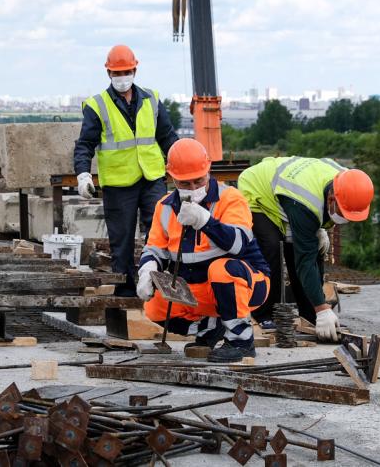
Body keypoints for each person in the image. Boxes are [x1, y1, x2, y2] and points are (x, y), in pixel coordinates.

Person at [136, 138, 271, 362]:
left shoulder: (231, 199)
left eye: (198, 181)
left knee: (222, 269)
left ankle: (241, 341)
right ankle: (212, 327)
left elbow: (238, 245)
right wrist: (147, 270)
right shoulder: (165, 207)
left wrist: (205, 221)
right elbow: (155, 249)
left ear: (208, 171)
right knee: (155, 306)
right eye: (185, 184)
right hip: (201, 289)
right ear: (172, 179)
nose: (193, 188)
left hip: (248, 284)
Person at [73, 44, 179, 296]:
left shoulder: (151, 99)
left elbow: (168, 137)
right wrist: (83, 173)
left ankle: (161, 286)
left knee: (160, 231)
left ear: (134, 70)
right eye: (117, 73)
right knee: (121, 240)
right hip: (119, 184)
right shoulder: (97, 105)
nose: (122, 78)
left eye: (126, 72)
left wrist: (182, 166)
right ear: (108, 74)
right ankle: (127, 293)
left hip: (151, 177)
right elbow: (85, 144)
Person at [237, 157, 374, 342]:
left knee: (308, 249)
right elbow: (304, 261)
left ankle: (310, 315)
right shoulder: (305, 202)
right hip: (258, 189)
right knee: (272, 247)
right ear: (331, 198)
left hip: (286, 193)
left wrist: (320, 229)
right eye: (342, 213)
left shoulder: (347, 182)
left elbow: (310, 252)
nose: (344, 220)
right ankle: (264, 314)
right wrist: (323, 309)